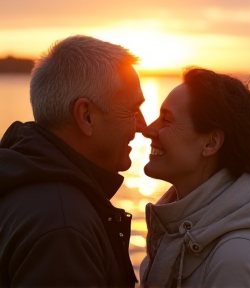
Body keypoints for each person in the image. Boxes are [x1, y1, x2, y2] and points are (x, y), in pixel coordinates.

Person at [0, 35, 147, 287]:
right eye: (132, 110)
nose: (142, 125)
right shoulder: (63, 227)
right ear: (86, 116)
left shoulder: (23, 179)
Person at [139, 67, 250, 288]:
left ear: (210, 143)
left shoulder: (238, 259)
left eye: (167, 119)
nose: (148, 130)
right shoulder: (175, 233)